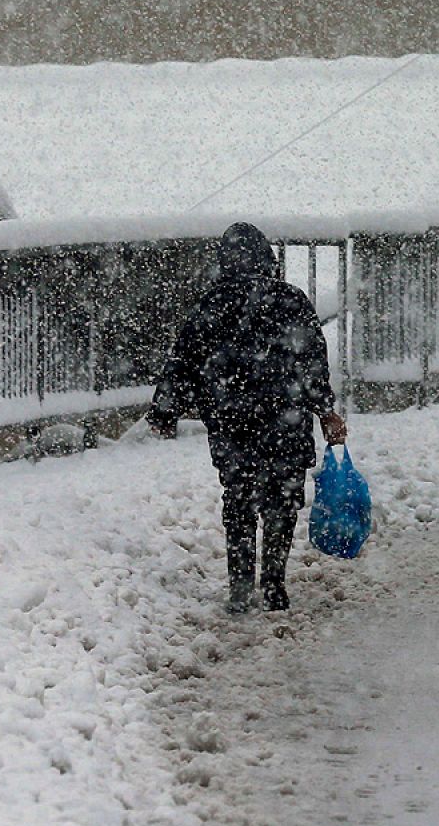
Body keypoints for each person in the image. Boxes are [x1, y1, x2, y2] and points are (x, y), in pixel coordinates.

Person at [148, 223, 348, 614]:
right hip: (285, 421)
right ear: (268, 259)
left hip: (231, 423)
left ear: (225, 262)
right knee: (282, 501)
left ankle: (240, 588)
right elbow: (312, 363)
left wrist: (165, 411)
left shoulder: (211, 305)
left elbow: (183, 362)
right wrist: (324, 409)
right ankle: (274, 584)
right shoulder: (291, 301)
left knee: (239, 501)